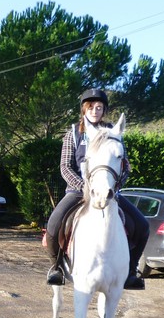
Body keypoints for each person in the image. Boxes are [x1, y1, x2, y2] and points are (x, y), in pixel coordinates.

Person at [44, 88, 149, 290]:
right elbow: (65, 166)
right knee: (53, 225)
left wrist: (115, 185)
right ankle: (56, 267)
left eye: (99, 107)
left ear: (104, 110)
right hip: (78, 192)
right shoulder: (73, 133)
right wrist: (83, 186)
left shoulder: (113, 132)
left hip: (109, 192)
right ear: (84, 109)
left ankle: (131, 271)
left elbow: (124, 165)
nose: (95, 110)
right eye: (91, 107)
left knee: (142, 226)